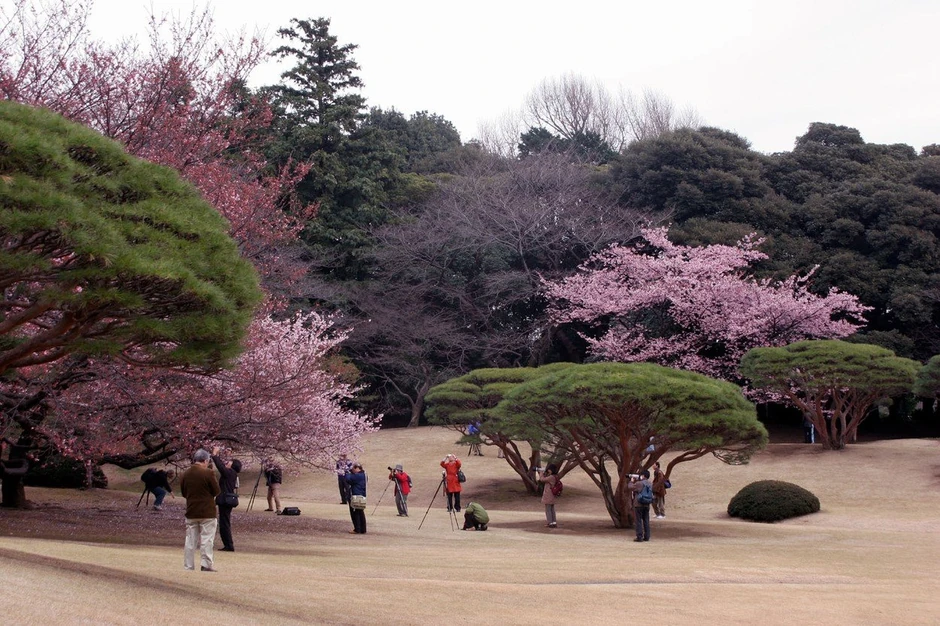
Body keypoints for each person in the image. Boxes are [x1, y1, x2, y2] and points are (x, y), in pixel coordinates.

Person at [180, 449, 221, 572]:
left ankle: (188, 566)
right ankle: (206, 564)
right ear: (205, 460)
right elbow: (216, 491)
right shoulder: (208, 473)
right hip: (207, 511)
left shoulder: (185, 474)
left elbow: (183, 493)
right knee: (207, 539)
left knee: (190, 541)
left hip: (191, 510)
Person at [211, 446, 241, 552]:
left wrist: (214, 455)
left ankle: (229, 545)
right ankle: (228, 544)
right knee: (224, 522)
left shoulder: (230, 473)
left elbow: (220, 467)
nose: (227, 463)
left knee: (224, 523)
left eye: (229, 463)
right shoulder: (231, 474)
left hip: (225, 500)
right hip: (226, 500)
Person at [629, 470, 652, 542]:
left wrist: (631, 481)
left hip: (639, 504)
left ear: (643, 476)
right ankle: (647, 536)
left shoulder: (639, 483)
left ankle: (639, 537)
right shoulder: (650, 484)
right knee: (646, 520)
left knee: (638, 521)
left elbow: (630, 487)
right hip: (647, 504)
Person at [345, 462, 367, 534]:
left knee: (355, 513)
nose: (353, 470)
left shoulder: (358, 476)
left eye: (354, 468)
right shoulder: (364, 475)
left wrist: (347, 472)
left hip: (356, 496)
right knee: (360, 512)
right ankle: (363, 529)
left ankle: (357, 529)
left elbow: (348, 479)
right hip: (361, 495)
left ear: (357, 468)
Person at [537, 464, 558, 528]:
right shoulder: (555, 476)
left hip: (549, 495)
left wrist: (540, 472)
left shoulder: (551, 477)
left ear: (551, 470)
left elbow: (542, 479)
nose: (548, 470)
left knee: (548, 509)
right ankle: (553, 522)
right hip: (552, 495)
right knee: (552, 509)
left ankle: (550, 523)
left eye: (549, 469)